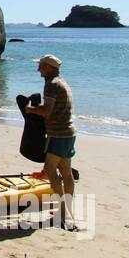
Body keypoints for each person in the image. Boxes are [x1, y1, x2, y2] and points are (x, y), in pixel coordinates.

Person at [22, 54, 77, 230]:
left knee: (50, 169)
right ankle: (67, 209)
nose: (38, 69)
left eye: (41, 66)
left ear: (48, 67)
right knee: (66, 172)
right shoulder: (63, 82)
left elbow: (47, 110)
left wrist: (30, 110)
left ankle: (62, 211)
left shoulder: (51, 85)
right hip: (69, 133)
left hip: (58, 134)